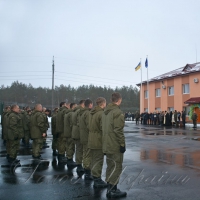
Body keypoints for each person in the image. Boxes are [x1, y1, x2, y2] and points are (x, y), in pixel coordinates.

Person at [102, 92, 127, 198]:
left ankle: (109, 186)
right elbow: (118, 130)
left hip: (107, 143)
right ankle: (113, 190)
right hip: (114, 144)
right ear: (119, 100)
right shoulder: (117, 112)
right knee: (116, 166)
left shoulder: (105, 112)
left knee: (110, 165)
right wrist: (122, 144)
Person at [88, 97, 108, 188]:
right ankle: (97, 179)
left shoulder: (92, 113)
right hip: (98, 140)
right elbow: (103, 128)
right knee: (98, 160)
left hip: (91, 139)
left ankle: (95, 176)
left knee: (93, 159)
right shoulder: (101, 113)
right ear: (103, 103)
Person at [79, 99, 93, 180]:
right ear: (90, 105)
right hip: (87, 136)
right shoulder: (87, 113)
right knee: (87, 154)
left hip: (83, 135)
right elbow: (89, 125)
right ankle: (87, 171)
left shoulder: (83, 112)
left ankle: (86, 168)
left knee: (85, 153)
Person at [72, 100, 85, 173]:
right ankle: (79, 165)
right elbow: (80, 123)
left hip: (75, 131)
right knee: (80, 149)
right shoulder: (80, 111)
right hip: (79, 132)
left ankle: (79, 163)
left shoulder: (75, 111)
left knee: (78, 149)